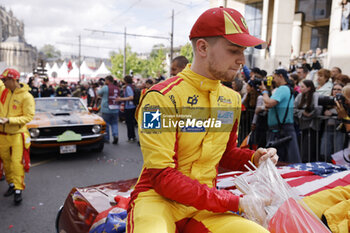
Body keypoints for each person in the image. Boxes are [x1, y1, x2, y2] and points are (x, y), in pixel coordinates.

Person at [127, 7, 278, 233]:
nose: (241, 60)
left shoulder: (232, 99)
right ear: (203, 47)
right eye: (234, 50)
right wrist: (232, 201)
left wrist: (256, 157)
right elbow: (161, 176)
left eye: (243, 51)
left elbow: (226, 154)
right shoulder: (159, 97)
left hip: (205, 205)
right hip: (157, 201)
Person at [0, 68, 34, 204]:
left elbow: (29, 116)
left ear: (13, 80)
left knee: (16, 163)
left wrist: (10, 120)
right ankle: (11, 185)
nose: (3, 82)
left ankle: (18, 190)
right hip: (2, 134)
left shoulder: (26, 96)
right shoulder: (4, 92)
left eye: (4, 80)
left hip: (18, 135)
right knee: (6, 161)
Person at [261, 69, 301, 163]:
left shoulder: (282, 88)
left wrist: (264, 92)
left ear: (280, 76)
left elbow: (269, 103)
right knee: (287, 160)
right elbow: (268, 105)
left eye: (274, 77)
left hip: (281, 130)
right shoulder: (287, 88)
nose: (273, 80)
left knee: (279, 161)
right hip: (282, 129)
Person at [294, 80, 321, 162]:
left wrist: (310, 115)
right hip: (302, 125)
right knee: (302, 147)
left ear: (309, 88)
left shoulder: (315, 95)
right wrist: (302, 113)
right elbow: (293, 109)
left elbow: (318, 109)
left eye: (302, 87)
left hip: (313, 126)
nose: (300, 88)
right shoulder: (299, 96)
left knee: (309, 148)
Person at [320, 83, 345, 161]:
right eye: (334, 89)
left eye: (338, 89)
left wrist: (333, 113)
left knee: (338, 151)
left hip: (340, 129)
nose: (336, 91)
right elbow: (320, 112)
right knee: (324, 151)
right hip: (327, 128)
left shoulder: (345, 102)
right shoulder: (327, 101)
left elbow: (345, 114)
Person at [97, 75, 120, 144]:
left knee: (106, 123)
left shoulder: (105, 87)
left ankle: (106, 138)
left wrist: (102, 86)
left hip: (106, 108)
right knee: (114, 123)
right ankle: (115, 135)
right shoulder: (117, 88)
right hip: (115, 108)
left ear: (107, 81)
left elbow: (98, 93)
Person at [117, 75, 137, 142]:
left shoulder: (128, 87)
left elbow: (131, 97)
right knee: (131, 122)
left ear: (125, 80)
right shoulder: (132, 86)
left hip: (129, 107)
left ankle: (131, 137)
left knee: (129, 123)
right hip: (133, 106)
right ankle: (133, 137)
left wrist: (121, 99)